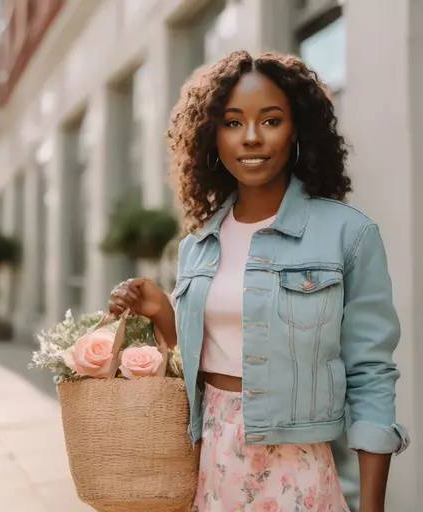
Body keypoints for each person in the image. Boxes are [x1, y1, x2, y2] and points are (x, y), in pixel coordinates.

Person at [108, 51, 409, 512]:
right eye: (232, 123)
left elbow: (370, 376)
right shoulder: (198, 245)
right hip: (211, 464)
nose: (251, 138)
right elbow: (199, 370)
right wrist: (163, 312)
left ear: (297, 131)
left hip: (298, 474)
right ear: (212, 137)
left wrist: (372, 507)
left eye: (270, 120)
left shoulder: (349, 234)